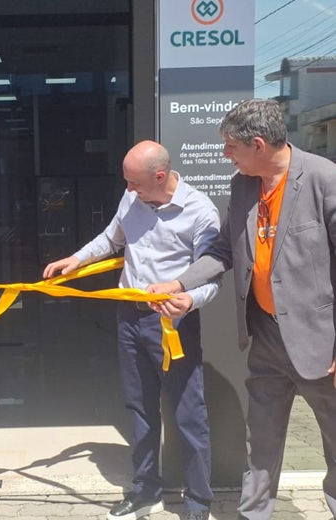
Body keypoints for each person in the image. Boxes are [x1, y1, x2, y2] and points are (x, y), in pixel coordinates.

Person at [147, 99, 336, 520]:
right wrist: (179, 284)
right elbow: (223, 250)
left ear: (258, 144)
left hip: (322, 341)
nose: (226, 155)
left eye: (231, 146)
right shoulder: (243, 186)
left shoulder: (324, 179)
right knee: (261, 441)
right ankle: (254, 514)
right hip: (265, 336)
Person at [43, 141, 220, 520]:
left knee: (189, 413)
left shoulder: (200, 212)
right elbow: (112, 239)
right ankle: (145, 490)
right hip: (129, 317)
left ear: (160, 176)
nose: (128, 189)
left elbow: (211, 274)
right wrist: (76, 259)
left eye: (134, 182)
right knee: (138, 408)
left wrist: (189, 301)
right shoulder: (132, 198)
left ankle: (197, 502)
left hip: (172, 324)